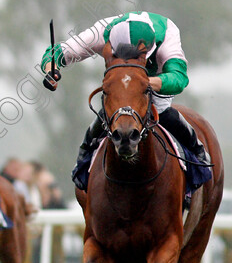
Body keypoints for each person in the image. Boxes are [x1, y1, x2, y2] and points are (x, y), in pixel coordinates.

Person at [40, 11, 210, 190]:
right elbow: (58, 52)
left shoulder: (167, 35)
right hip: (119, 78)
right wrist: (51, 69)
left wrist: (144, 83)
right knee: (111, 111)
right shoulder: (101, 32)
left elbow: (179, 78)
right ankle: (84, 157)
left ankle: (197, 152)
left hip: (152, 76)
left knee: (160, 109)